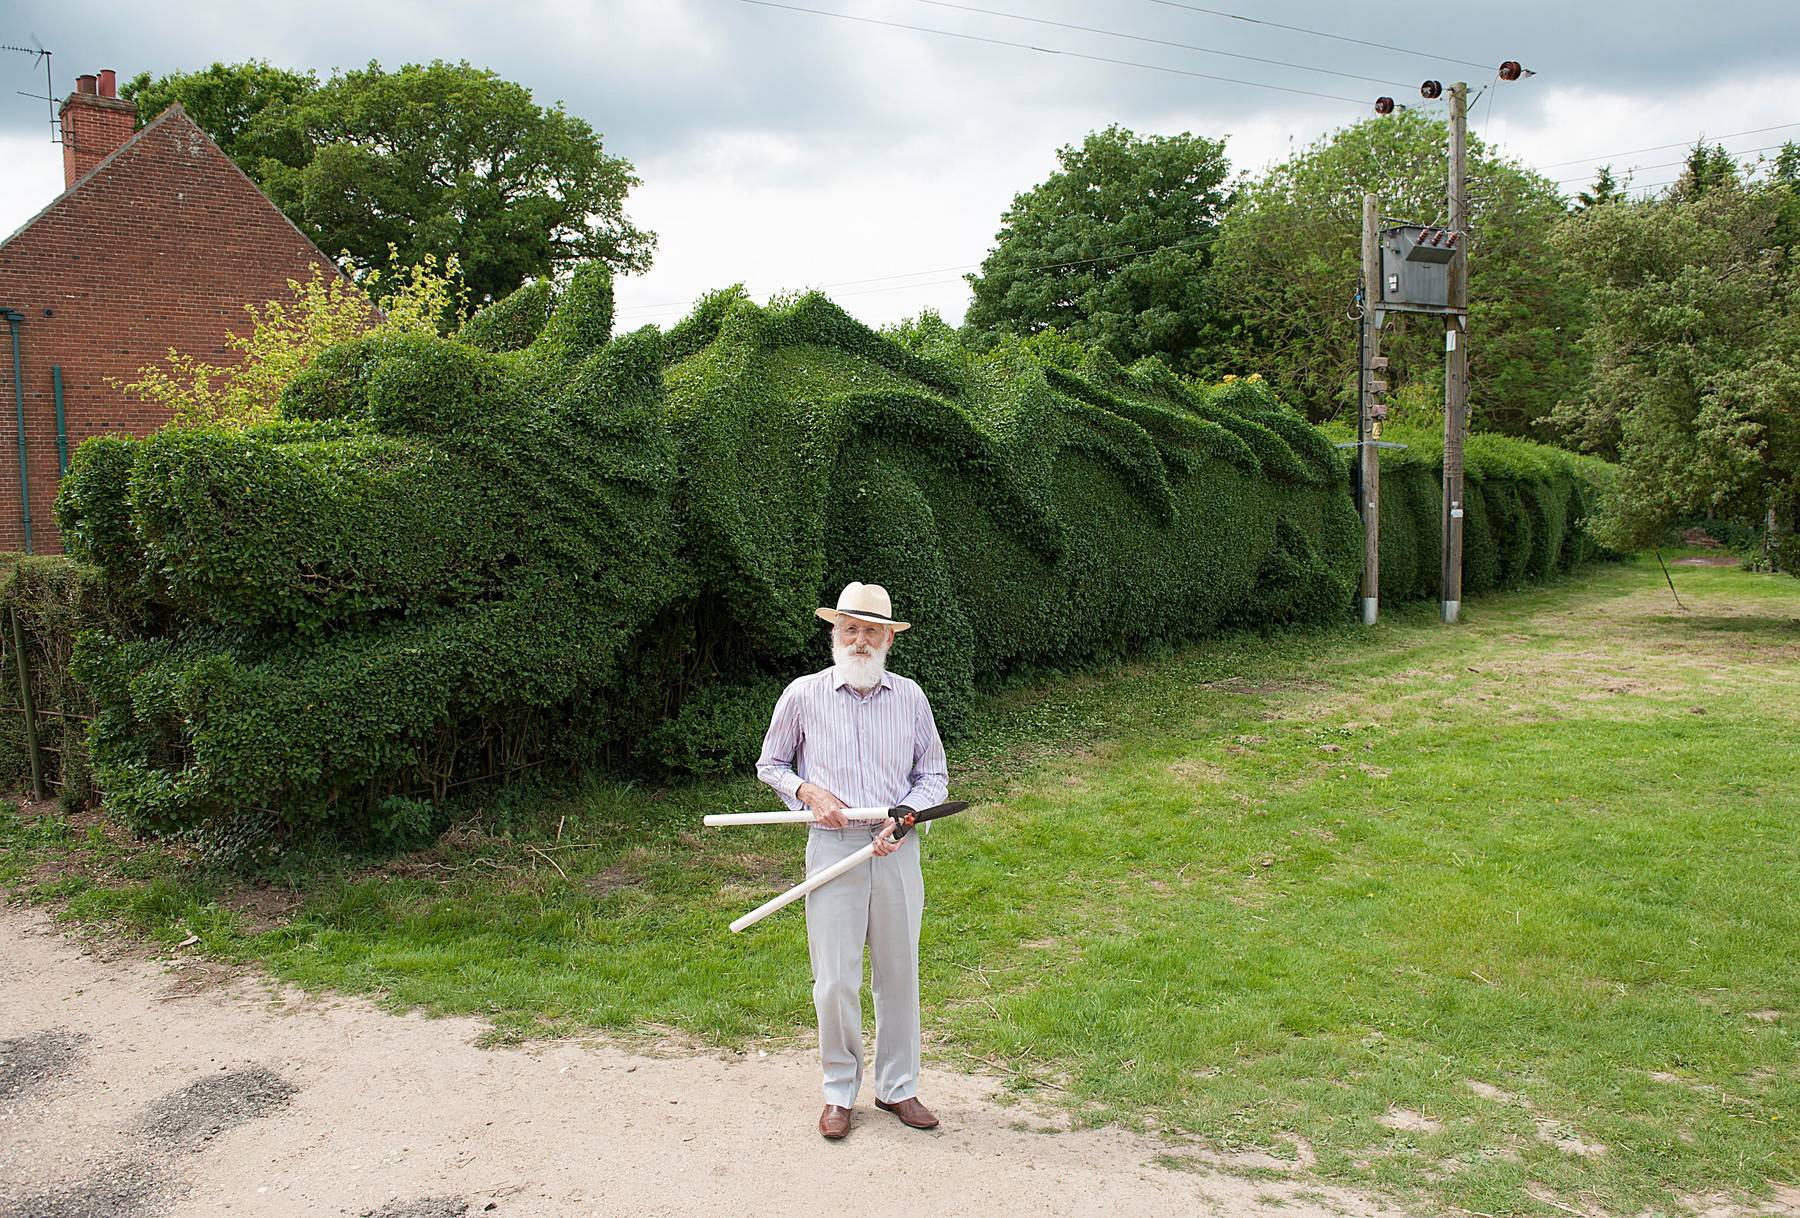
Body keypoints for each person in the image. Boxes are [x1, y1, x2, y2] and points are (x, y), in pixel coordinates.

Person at [755, 581, 950, 1140]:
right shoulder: (803, 695)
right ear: (834, 634)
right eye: (850, 629)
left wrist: (906, 816)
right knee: (835, 979)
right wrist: (810, 793)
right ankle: (839, 1091)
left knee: (898, 973)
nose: (860, 639)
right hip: (832, 848)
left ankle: (898, 1088)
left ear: (889, 637)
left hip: (895, 851)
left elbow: (932, 775)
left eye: (871, 630)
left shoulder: (911, 697)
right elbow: (771, 765)